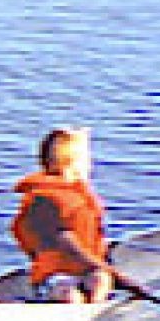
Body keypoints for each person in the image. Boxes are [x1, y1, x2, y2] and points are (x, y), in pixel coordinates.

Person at [11, 125, 115, 303]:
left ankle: (96, 308)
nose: (89, 167)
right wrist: (103, 267)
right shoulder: (44, 200)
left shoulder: (78, 193)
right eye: (85, 162)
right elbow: (65, 241)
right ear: (70, 166)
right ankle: (76, 310)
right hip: (55, 273)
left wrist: (103, 265)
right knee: (68, 293)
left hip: (85, 269)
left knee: (101, 279)